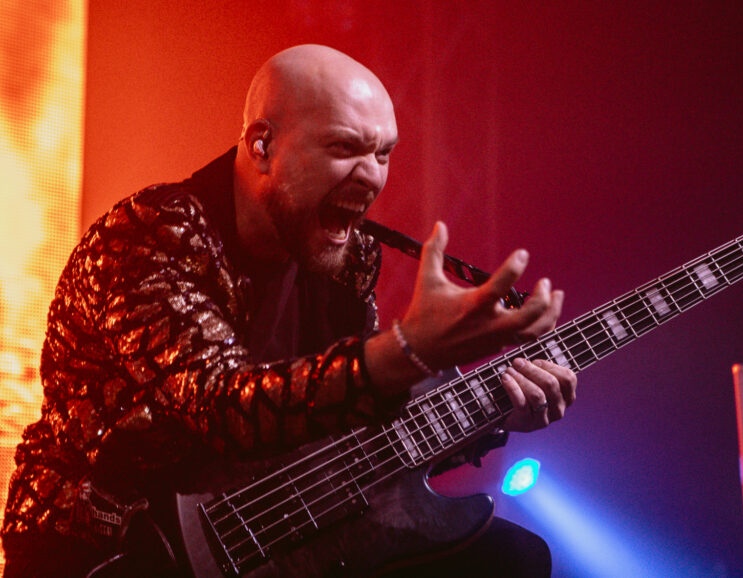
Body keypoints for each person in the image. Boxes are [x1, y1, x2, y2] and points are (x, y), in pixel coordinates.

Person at [2, 45, 576, 577]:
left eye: (383, 153)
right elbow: (226, 410)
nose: (372, 176)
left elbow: (353, 437)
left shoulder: (351, 257)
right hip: (115, 551)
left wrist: (495, 409)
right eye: (345, 148)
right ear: (262, 146)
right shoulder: (151, 236)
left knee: (513, 558)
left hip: (275, 536)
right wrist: (403, 355)